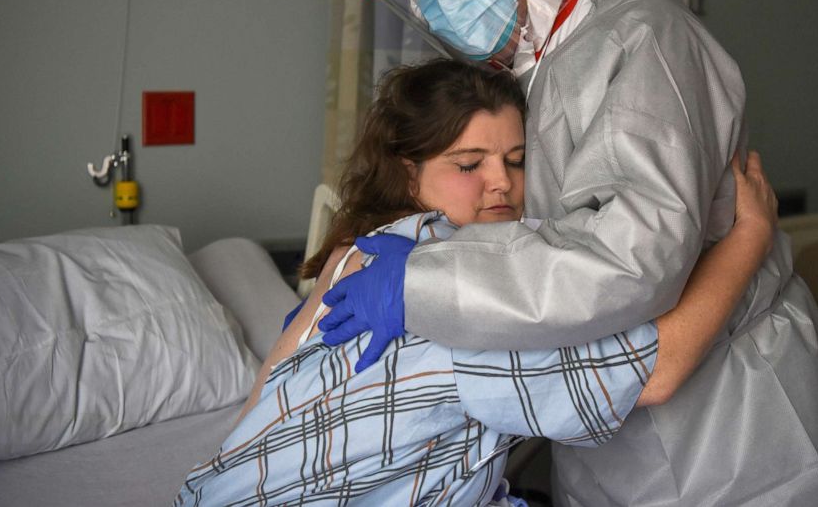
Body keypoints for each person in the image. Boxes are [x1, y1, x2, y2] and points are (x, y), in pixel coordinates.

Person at [323, 0, 818, 506]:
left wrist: (421, 279)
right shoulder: (537, 70)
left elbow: (628, 264)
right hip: (612, 429)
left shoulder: (642, 41)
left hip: (731, 418)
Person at [176, 60, 779, 506]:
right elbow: (656, 370)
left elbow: (259, 404)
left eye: (516, 161)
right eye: (468, 165)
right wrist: (749, 240)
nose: (501, 185)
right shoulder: (452, 279)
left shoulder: (352, 254)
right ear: (408, 174)